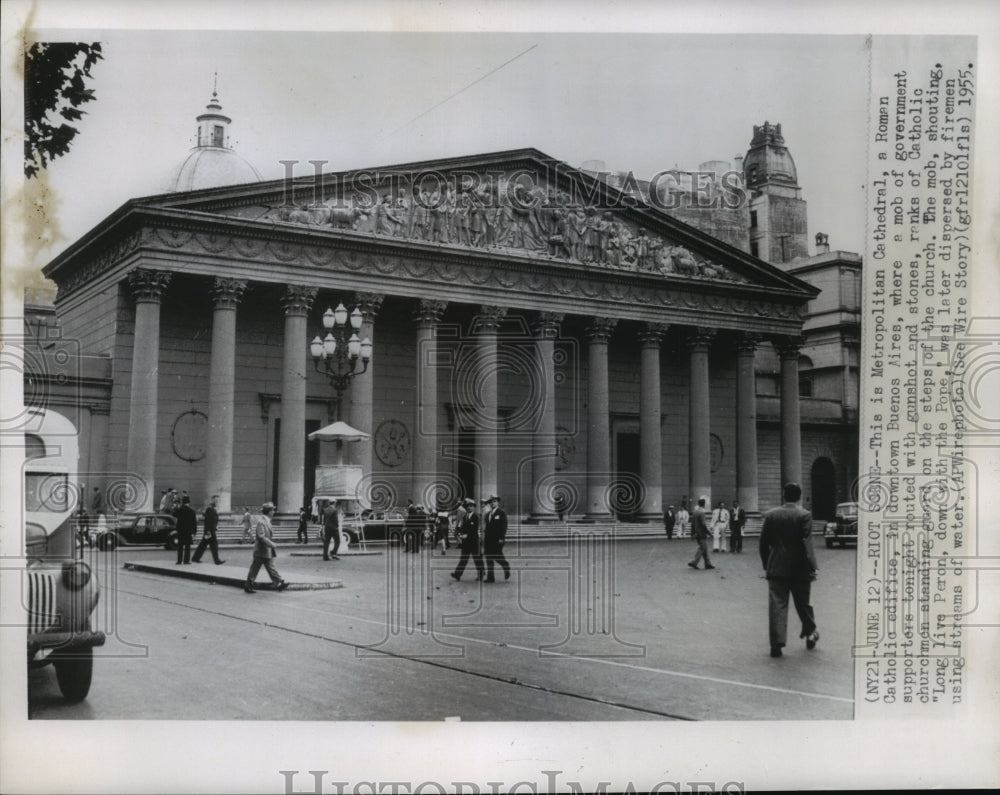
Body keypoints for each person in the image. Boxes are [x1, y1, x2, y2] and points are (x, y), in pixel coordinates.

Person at [759, 483, 819, 657]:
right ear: (799, 497)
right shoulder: (805, 515)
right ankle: (810, 633)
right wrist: (812, 566)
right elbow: (807, 543)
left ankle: (776, 644)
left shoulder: (771, 515)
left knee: (777, 605)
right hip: (800, 568)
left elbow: (763, 544)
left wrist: (767, 565)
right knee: (803, 604)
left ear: (784, 496)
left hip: (776, 567)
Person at [245, 502, 289, 594]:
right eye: (272, 510)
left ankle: (279, 582)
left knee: (270, 567)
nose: (274, 512)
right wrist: (271, 544)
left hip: (265, 550)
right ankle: (249, 585)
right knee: (255, 569)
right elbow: (261, 536)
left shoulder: (267, 521)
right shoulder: (261, 522)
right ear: (268, 511)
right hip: (261, 550)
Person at [450, 498, 484, 581]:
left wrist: (467, 534)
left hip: (474, 541)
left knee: (477, 558)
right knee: (463, 558)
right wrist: (460, 533)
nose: (469, 508)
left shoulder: (476, 517)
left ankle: (481, 574)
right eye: (468, 506)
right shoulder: (464, 516)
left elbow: (474, 529)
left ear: (474, 507)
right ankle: (457, 574)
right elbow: (463, 527)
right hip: (466, 542)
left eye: (471, 506)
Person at [482, 495, 510, 582]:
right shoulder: (488, 514)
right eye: (491, 502)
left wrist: (502, 537)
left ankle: (505, 566)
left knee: (497, 555)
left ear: (497, 502)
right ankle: (490, 577)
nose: (492, 503)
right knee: (488, 557)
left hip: (498, 539)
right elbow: (487, 527)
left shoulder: (501, 513)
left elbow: (504, 526)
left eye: (494, 501)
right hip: (488, 539)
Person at [192, 494, 225, 564]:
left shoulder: (212, 509)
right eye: (216, 500)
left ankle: (195, 558)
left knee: (203, 545)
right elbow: (208, 520)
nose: (217, 501)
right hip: (210, 531)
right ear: (213, 500)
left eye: (218, 500)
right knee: (213, 545)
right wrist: (209, 531)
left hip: (209, 531)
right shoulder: (210, 509)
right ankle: (216, 560)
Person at [687, 496, 714, 570]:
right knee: (702, 547)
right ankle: (694, 562)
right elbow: (703, 524)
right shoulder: (702, 512)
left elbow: (692, 524)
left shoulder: (695, 512)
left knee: (704, 548)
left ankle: (708, 563)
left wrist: (692, 533)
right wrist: (709, 533)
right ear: (704, 504)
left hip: (696, 533)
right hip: (701, 533)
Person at [174, 495, 197, 565]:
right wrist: (194, 532)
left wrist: (177, 507)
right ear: (188, 503)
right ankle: (186, 561)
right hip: (188, 531)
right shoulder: (192, 511)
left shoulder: (179, 510)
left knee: (180, 546)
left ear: (183, 502)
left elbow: (173, 514)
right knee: (187, 546)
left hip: (180, 531)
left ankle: (179, 560)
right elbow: (194, 523)